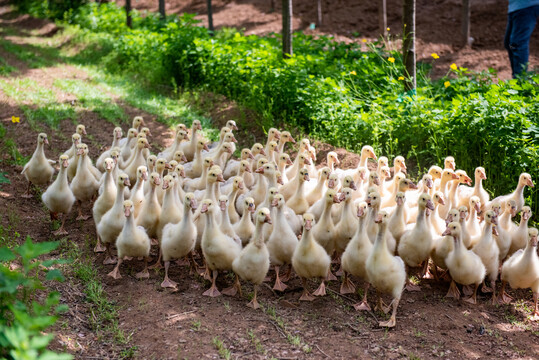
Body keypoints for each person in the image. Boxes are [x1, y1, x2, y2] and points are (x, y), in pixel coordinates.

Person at [504, 0, 539, 78]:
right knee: (509, 44)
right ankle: (518, 77)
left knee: (517, 44)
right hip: (516, 7)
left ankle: (520, 80)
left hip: (527, 6)